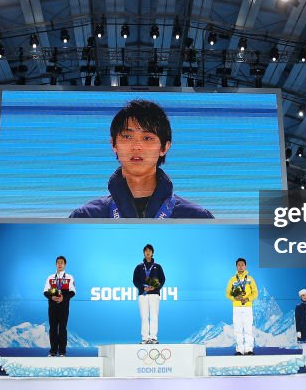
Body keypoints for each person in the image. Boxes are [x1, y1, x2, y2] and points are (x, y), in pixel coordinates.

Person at [69, 99, 214, 219]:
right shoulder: (86, 217)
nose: (136, 146)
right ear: (113, 144)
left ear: (164, 147)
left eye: (147, 138)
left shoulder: (197, 218)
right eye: (127, 136)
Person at [132, 244, 166, 344]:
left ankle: (153, 338)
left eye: (150, 251)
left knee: (154, 316)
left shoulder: (157, 267)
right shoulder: (139, 267)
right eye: (146, 250)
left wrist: (155, 287)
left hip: (154, 294)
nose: (148, 252)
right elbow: (135, 280)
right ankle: (145, 338)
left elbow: (162, 279)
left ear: (152, 253)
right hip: (143, 294)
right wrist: (143, 287)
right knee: (144, 316)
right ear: (144, 252)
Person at [43, 256, 76, 356]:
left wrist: (63, 298)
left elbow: (73, 292)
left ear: (65, 264)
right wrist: (52, 297)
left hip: (64, 307)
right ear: (56, 264)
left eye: (62, 262)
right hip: (52, 307)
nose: (60, 264)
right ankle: (53, 351)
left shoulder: (69, 277)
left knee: (62, 328)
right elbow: (45, 292)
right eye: (58, 262)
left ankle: (62, 351)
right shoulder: (50, 277)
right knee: (52, 328)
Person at [225, 258, 258, 355]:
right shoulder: (233, 279)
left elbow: (255, 292)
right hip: (237, 307)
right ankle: (239, 349)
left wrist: (248, 299)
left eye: (242, 264)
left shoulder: (250, 279)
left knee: (248, 328)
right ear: (236, 266)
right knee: (237, 328)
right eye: (239, 265)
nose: (240, 266)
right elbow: (227, 293)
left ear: (245, 266)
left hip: (247, 306)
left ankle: (248, 349)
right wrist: (235, 298)